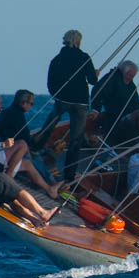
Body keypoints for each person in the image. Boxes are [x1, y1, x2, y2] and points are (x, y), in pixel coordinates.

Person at [41, 30, 98, 180]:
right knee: (76, 140)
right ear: (78, 42)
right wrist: (95, 74)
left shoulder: (56, 60)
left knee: (49, 125)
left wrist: (57, 95)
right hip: (80, 102)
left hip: (62, 101)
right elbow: (93, 81)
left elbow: (50, 82)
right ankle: (69, 175)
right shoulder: (84, 58)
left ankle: (36, 149)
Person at [94, 60, 139, 149]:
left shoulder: (131, 86)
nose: (131, 78)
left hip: (132, 117)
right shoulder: (111, 79)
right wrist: (95, 109)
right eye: (129, 75)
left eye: (133, 76)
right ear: (122, 71)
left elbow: (136, 104)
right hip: (119, 119)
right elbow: (97, 92)